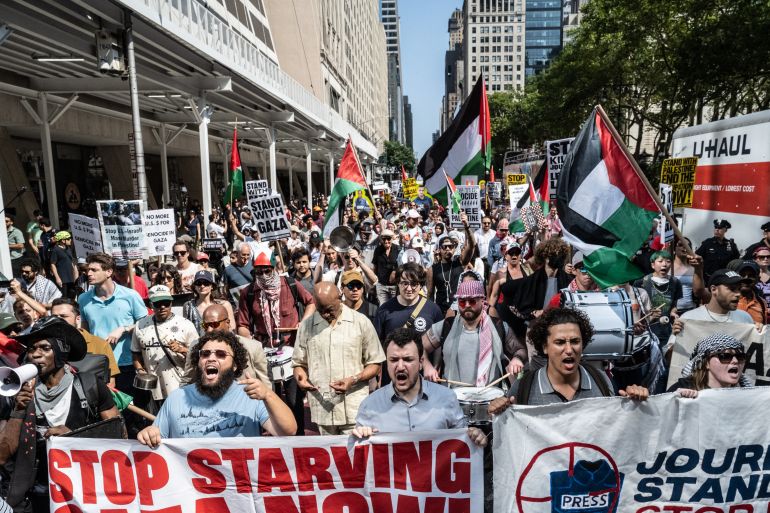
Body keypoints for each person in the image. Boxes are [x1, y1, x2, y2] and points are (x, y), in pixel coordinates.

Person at [0, 317, 119, 512]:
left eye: (45, 348)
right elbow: (2, 456)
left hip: (81, 491)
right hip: (33, 496)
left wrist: (75, 437)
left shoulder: (89, 385)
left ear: (61, 352)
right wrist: (19, 410)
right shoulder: (16, 392)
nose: (35, 354)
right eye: (31, 349)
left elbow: (118, 436)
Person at [136, 330, 296, 446]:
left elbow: (288, 431)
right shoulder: (176, 398)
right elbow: (157, 435)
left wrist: (268, 395)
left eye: (221, 354)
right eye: (205, 354)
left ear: (235, 365)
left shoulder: (251, 395)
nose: (211, 358)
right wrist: (149, 433)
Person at [488, 308, 649, 411]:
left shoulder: (601, 381)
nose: (569, 349)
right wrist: (499, 410)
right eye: (559, 342)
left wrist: (634, 403)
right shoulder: (524, 387)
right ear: (545, 347)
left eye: (575, 341)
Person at [352, 327, 486, 446]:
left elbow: (463, 443)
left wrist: (475, 438)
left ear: (421, 362)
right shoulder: (369, 406)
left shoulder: (446, 398)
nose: (400, 366)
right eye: (393, 360)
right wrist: (360, 438)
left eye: (408, 359)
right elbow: (359, 457)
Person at [237, 250, 315, 434]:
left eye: (267, 271)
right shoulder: (248, 292)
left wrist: (303, 323)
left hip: (290, 349)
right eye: (259, 272)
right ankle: (274, 436)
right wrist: (250, 342)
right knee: (268, 399)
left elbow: (311, 302)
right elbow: (243, 325)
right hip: (263, 351)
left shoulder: (290, 284)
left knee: (294, 400)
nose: (263, 275)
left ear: (274, 269)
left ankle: (298, 436)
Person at [292, 283, 385, 435]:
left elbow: (375, 363)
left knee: (354, 450)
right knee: (327, 451)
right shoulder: (306, 326)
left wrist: (354, 379)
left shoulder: (360, 322)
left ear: (340, 298)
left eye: (329, 309)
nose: (325, 314)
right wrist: (300, 377)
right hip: (323, 410)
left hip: (354, 410)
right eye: (320, 310)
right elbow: (298, 363)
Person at [423, 280, 526, 386]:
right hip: (452, 395)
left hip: (491, 395)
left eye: (472, 301)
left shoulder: (499, 327)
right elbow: (419, 347)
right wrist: (426, 366)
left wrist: (517, 359)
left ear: (482, 300)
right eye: (462, 302)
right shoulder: (446, 326)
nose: (467, 305)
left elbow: (520, 349)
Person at [78, 252, 147, 394]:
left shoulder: (130, 295)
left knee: (132, 405)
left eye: (94, 270)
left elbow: (146, 324)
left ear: (109, 272)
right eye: (88, 270)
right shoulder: (83, 299)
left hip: (127, 362)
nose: (89, 273)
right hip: (100, 364)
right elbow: (85, 331)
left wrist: (124, 329)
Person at [132, 285, 198, 406]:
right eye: (158, 304)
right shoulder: (140, 325)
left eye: (166, 303)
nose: (162, 307)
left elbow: (199, 355)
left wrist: (182, 349)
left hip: (179, 385)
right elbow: (135, 352)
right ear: (151, 305)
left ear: (171, 303)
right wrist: (140, 370)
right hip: (153, 388)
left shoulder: (186, 324)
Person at [185, 304, 270, 387]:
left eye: (214, 325)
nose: (209, 330)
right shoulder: (195, 346)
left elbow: (265, 384)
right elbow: (188, 380)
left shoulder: (253, 347)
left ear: (227, 323)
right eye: (205, 325)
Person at [50, 298, 120, 387]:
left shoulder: (100, 344)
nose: (58, 320)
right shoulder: (46, 344)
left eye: (64, 316)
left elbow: (110, 382)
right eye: (54, 317)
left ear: (78, 319)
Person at [373, 263, 444, 345]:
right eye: (405, 283)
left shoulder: (433, 310)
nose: (409, 289)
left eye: (414, 284)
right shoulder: (383, 310)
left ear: (420, 285)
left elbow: (440, 343)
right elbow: (376, 344)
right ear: (398, 283)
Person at [667, 333, 752, 396]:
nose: (735, 361)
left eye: (740, 357)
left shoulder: (746, 396)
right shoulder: (681, 390)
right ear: (706, 363)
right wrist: (676, 401)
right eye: (725, 356)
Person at [673, 269, 755, 334]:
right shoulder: (689, 318)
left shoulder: (745, 318)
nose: (738, 294)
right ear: (714, 289)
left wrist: (758, 332)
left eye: (739, 289)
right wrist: (677, 338)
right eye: (732, 289)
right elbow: (673, 350)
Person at [428, 213, 476, 314]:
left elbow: (472, 245)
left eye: (450, 246)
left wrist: (467, 226)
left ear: (454, 249)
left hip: (460, 309)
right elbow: (430, 294)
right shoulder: (432, 269)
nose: (447, 249)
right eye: (444, 247)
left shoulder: (460, 262)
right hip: (440, 311)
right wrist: (430, 314)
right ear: (439, 249)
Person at [634, 251, 682, 344]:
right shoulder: (641, 283)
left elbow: (674, 305)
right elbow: (636, 308)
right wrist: (649, 314)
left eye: (668, 261)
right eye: (660, 261)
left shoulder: (676, 282)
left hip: (666, 329)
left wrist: (673, 312)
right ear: (653, 265)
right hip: (646, 330)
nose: (664, 264)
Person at [183, 270, 235, 337]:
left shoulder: (224, 305)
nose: (202, 286)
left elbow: (231, 328)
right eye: (198, 283)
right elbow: (186, 329)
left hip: (220, 340)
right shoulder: (188, 306)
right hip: (197, 342)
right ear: (195, 287)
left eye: (206, 283)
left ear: (212, 286)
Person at [728, 260, 768, 324]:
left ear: (758, 279)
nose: (746, 278)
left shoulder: (762, 303)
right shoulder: (726, 299)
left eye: (751, 275)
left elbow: (763, 327)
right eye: (742, 275)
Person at [372, 228, 400, 305]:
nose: (386, 241)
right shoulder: (378, 250)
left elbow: (401, 266)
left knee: (394, 306)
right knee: (383, 307)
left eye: (388, 239)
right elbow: (375, 266)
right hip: (381, 285)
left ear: (392, 239)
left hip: (394, 286)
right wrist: (374, 283)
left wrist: (395, 272)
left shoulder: (398, 249)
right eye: (384, 239)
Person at [48, 231, 77, 298]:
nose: (70, 240)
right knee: (64, 297)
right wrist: (57, 278)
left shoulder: (68, 248)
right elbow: (52, 264)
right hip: (63, 279)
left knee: (72, 296)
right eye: (68, 239)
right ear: (63, 240)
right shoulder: (56, 250)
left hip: (71, 278)